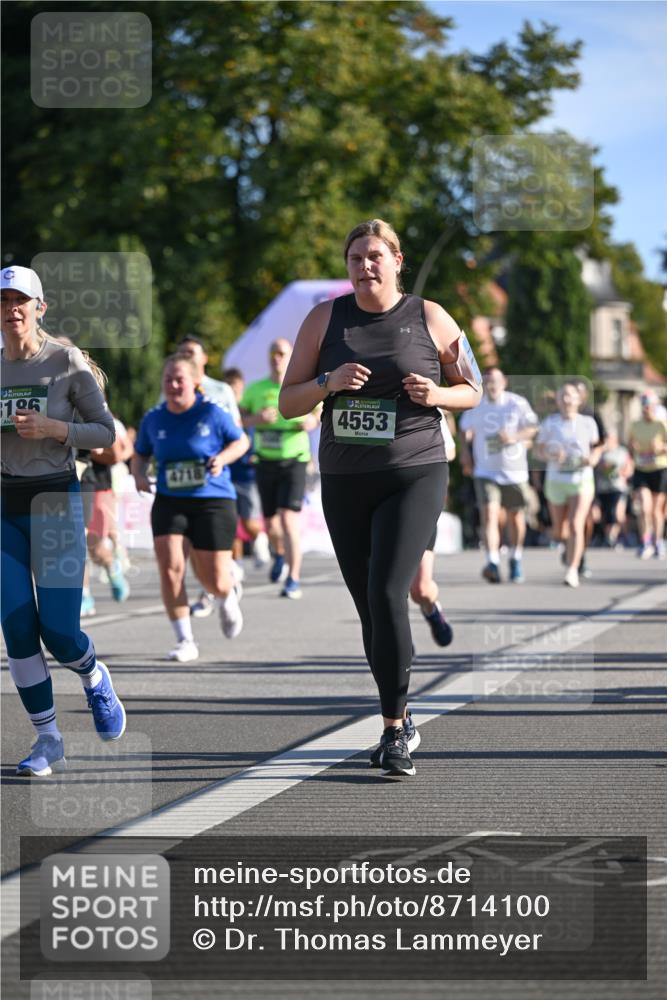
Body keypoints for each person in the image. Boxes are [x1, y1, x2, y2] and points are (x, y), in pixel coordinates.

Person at [279, 218, 481, 777]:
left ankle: (393, 731)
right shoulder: (325, 318)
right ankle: (404, 712)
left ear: (397, 260)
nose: (364, 266)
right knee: (370, 606)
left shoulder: (430, 316)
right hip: (346, 478)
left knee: (389, 592)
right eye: (355, 258)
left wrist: (436, 391)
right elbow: (286, 402)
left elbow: (475, 387)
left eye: (374, 256)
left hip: (414, 471)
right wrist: (328, 383)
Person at [1, 265, 126, 776]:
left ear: (39, 307)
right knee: (17, 628)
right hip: (5, 502)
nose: (11, 311)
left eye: (20, 301)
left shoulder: (65, 361)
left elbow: (106, 433)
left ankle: (94, 676)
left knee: (58, 629)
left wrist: (54, 428)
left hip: (54, 498)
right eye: (3, 301)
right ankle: (47, 739)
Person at [131, 355, 249, 662]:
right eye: (167, 379)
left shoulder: (213, 412)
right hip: (171, 500)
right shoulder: (153, 418)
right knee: (171, 570)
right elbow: (140, 454)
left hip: (213, 499)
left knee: (214, 579)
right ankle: (185, 640)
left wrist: (222, 459)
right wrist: (139, 475)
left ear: (195, 382)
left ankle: (227, 592)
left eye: (179, 379)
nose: (172, 385)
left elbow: (241, 442)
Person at [241, 339, 319, 599]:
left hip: (294, 460)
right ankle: (278, 554)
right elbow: (239, 419)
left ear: (290, 357)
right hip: (265, 460)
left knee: (288, 521)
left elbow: (318, 414)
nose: (277, 358)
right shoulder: (255, 389)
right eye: (273, 353)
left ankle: (293, 578)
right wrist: (257, 420)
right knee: (271, 524)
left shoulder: (300, 386)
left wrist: (309, 421)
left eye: (282, 353)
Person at [459, 366, 538, 583]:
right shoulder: (476, 404)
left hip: (514, 472)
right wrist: (466, 454)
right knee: (489, 515)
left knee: (516, 518)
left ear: (504, 383)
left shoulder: (516, 403)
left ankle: (515, 557)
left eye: (495, 381)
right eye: (488, 381)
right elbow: (465, 429)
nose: (492, 385)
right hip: (485, 470)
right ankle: (492, 561)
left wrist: (514, 436)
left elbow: (532, 429)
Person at [535, 381, 603, 587]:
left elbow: (598, 448)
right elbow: (537, 450)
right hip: (556, 480)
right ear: (557, 399)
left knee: (576, 524)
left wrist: (592, 458)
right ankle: (568, 548)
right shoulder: (550, 423)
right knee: (559, 531)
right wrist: (550, 454)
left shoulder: (588, 423)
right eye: (562, 395)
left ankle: (572, 569)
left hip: (581, 480)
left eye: (571, 395)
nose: (566, 399)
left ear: (579, 399)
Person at [79, 406, 134, 615]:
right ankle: (84, 594)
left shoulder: (101, 415)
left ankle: (112, 567)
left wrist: (90, 447)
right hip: (70, 483)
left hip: (99, 484)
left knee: (92, 541)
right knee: (78, 540)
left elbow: (120, 451)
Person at [408, 414, 457, 651]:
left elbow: (450, 451)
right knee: (385, 587)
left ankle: (432, 610)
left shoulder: (425, 402)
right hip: (377, 502)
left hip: (418, 503)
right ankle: (399, 639)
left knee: (421, 590)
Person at [222, 367, 271, 568]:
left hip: (247, 475)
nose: (233, 394)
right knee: (230, 524)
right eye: (229, 389)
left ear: (242, 389)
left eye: (236, 389)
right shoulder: (221, 413)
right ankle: (236, 565)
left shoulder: (250, 412)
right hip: (226, 474)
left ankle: (260, 540)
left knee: (249, 522)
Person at [628, 390, 667, 559]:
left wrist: (661, 448)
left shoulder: (662, 425)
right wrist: (634, 448)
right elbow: (630, 445)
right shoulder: (635, 425)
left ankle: (658, 541)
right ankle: (645, 541)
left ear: (655, 406)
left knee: (656, 510)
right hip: (641, 468)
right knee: (644, 507)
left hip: (659, 468)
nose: (647, 409)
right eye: (645, 406)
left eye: (650, 406)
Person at [594, 430, 633, 549]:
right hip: (602, 488)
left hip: (618, 487)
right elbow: (595, 465)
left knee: (616, 513)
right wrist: (603, 467)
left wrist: (621, 473)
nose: (607, 440)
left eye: (609, 438)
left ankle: (618, 537)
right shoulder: (600, 452)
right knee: (604, 515)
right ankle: (608, 537)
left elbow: (629, 468)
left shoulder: (622, 452)